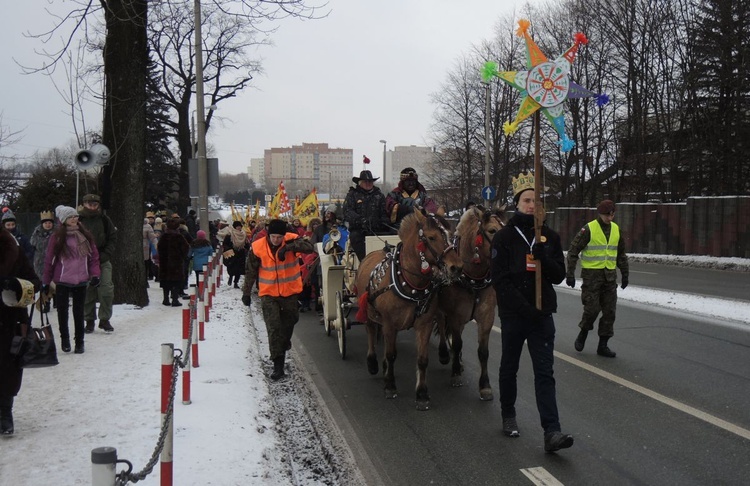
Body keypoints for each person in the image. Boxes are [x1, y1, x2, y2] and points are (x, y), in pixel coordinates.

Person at [490, 172, 573, 453]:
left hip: (542, 317)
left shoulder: (549, 236)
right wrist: (525, 308)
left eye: (536, 201)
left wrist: (544, 257)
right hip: (515, 316)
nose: (531, 205)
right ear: (517, 203)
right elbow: (499, 280)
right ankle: (508, 414)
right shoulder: (503, 237)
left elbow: (559, 275)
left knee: (544, 373)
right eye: (526, 200)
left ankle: (552, 431)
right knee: (509, 367)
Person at [240, 218, 315, 380]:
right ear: (268, 234)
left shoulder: (291, 239)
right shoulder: (258, 247)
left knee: (291, 320)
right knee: (273, 328)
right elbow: (251, 271)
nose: (276, 240)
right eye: (273, 236)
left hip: (290, 293)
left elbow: (309, 248)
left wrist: (288, 248)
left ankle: (284, 342)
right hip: (268, 294)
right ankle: (278, 365)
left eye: (279, 237)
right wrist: (246, 293)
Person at [565, 199, 630, 358]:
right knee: (592, 310)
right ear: (600, 213)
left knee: (609, 312)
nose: (609, 217)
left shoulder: (616, 230)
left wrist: (625, 273)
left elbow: (620, 254)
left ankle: (603, 345)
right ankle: (584, 332)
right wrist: (570, 273)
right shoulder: (588, 229)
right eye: (607, 214)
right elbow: (573, 251)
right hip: (591, 278)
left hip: (609, 278)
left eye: (612, 214)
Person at [43, 205, 101, 354]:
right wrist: (46, 281)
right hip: (62, 279)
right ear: (63, 220)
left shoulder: (85, 235)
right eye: (70, 217)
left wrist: (95, 274)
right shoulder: (57, 237)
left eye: (75, 216)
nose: (74, 219)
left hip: (81, 278)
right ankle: (65, 339)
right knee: (62, 312)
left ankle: (80, 342)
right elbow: (49, 260)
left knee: (78, 311)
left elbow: (93, 257)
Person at [0, 226, 41, 435]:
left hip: (10, 321)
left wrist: (14, 284)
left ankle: (5, 414)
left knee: (8, 369)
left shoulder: (12, 250)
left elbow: (35, 283)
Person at [78, 193, 117, 333]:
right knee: (88, 291)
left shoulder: (105, 220)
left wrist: (106, 254)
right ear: (84, 204)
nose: (92, 207)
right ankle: (89, 320)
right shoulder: (78, 220)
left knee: (106, 289)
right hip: (84, 260)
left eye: (95, 204)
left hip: (102, 258)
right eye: (89, 204)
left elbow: (112, 238)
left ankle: (105, 319)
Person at [343, 170, 390, 261]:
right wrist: (361, 221)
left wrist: (382, 222)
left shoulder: (379, 196)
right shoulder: (352, 195)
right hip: (359, 230)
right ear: (360, 183)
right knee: (355, 237)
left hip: (377, 229)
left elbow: (385, 212)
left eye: (370, 181)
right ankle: (365, 262)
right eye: (365, 181)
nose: (368, 183)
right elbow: (348, 211)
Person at [157, 217, 190, 306]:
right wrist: (182, 256)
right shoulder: (179, 237)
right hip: (176, 263)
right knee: (176, 281)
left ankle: (166, 299)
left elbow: (159, 247)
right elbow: (186, 247)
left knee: (165, 281)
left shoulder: (163, 236)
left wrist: (162, 256)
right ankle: (175, 299)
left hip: (164, 262)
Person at [223, 221, 250, 288]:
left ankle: (236, 283)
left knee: (239, 269)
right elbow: (225, 244)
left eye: (240, 226)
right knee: (231, 267)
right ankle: (231, 277)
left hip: (240, 254)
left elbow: (246, 244)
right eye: (237, 226)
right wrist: (229, 249)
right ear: (234, 227)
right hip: (232, 254)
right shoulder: (230, 234)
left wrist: (248, 246)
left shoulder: (243, 234)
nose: (239, 228)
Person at [30, 211, 55, 281]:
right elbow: (32, 243)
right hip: (39, 261)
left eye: (50, 223)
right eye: (45, 223)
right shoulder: (37, 233)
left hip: (53, 260)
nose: (48, 225)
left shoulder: (57, 233)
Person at [143, 218, 157, 286]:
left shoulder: (147, 226)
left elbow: (152, 237)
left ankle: (145, 280)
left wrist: (156, 245)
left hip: (145, 247)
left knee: (145, 263)